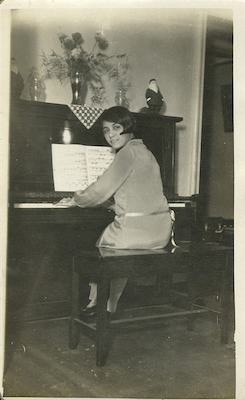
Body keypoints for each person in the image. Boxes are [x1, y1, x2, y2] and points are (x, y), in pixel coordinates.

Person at [57, 106, 172, 317]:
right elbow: (136, 200)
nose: (111, 135)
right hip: (161, 231)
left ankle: (98, 304)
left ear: (128, 127)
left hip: (137, 234)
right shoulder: (146, 152)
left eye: (116, 128)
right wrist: (107, 205)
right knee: (118, 248)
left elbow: (99, 190)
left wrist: (77, 199)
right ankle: (109, 304)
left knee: (104, 244)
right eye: (106, 130)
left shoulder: (126, 154)